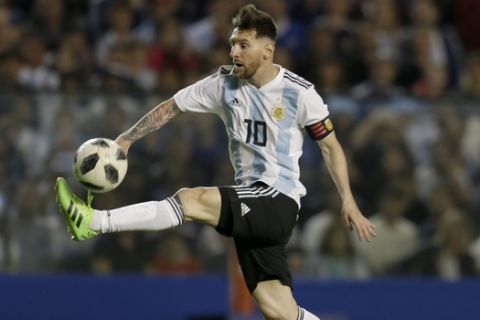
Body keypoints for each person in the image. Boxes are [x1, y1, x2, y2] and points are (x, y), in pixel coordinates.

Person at [56, 5, 376, 320]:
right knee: (278, 310)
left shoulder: (300, 93)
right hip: (252, 202)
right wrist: (125, 140)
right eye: (233, 43)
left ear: (268, 50)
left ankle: (94, 222)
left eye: (244, 45)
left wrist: (348, 199)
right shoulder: (222, 84)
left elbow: (331, 148)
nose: (235, 51)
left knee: (191, 199)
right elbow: (171, 107)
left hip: (277, 199)